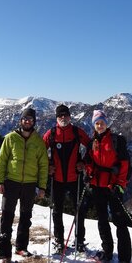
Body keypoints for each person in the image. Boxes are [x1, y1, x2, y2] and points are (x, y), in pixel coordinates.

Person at [0, 108, 48, 263]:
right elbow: (2, 160)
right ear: (20, 121)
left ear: (34, 122)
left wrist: (42, 187)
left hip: (30, 185)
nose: (27, 121)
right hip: (11, 182)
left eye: (30, 119)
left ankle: (21, 247)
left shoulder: (38, 141)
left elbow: (43, 165)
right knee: (7, 217)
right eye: (25, 119)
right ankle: (4, 253)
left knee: (26, 217)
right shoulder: (10, 138)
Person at [85, 110, 132, 263]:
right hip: (98, 186)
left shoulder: (117, 141)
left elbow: (124, 165)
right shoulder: (92, 142)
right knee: (102, 220)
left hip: (113, 187)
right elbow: (90, 162)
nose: (100, 126)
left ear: (107, 123)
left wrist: (120, 185)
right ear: (94, 125)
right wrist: (89, 173)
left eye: (102, 123)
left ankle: (125, 258)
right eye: (97, 123)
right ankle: (107, 252)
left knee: (120, 222)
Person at [43, 104, 90, 254]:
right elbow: (39, 152)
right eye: (60, 115)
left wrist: (83, 162)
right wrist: (48, 165)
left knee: (80, 210)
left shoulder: (77, 132)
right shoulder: (50, 134)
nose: (63, 118)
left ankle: (80, 241)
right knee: (57, 211)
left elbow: (91, 147)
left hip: (74, 178)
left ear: (70, 116)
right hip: (57, 179)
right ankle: (59, 240)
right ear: (57, 118)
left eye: (66, 115)